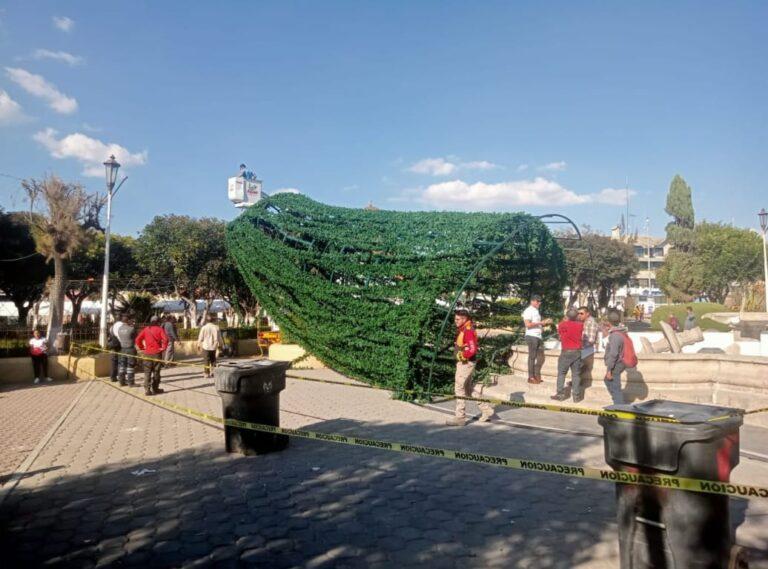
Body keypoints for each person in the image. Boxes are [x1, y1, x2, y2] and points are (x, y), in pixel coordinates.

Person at [446, 307, 494, 426]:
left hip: (465, 363)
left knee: (459, 388)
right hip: (465, 363)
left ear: (464, 319)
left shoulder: (468, 330)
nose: (455, 321)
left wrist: (463, 356)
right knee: (468, 389)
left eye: (457, 319)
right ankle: (487, 410)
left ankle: (460, 417)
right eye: (455, 319)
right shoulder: (464, 328)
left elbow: (472, 349)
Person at [552, 308, 584, 402]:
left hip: (566, 351)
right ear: (576, 316)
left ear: (567, 316)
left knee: (561, 373)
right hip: (577, 352)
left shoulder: (562, 324)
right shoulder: (580, 325)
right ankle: (576, 397)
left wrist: (565, 319)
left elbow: (560, 335)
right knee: (576, 375)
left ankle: (560, 395)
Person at [135, 315, 169, 396]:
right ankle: (155, 388)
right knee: (156, 372)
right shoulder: (160, 329)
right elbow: (166, 339)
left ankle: (147, 390)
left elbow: (137, 339)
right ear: (158, 321)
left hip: (147, 353)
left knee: (147, 372)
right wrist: (163, 348)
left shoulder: (146, 329)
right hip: (157, 354)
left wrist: (141, 347)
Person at [522, 294, 552, 384]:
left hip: (537, 336)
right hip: (531, 336)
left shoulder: (536, 311)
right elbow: (527, 324)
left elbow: (537, 324)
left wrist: (543, 324)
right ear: (532, 301)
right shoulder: (528, 311)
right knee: (532, 357)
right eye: (537, 301)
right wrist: (541, 322)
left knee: (539, 357)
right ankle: (530, 377)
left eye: (540, 301)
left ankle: (536, 376)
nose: (539, 303)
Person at [603, 309, 627, 405]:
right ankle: (617, 400)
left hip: (616, 364)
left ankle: (619, 406)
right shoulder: (622, 331)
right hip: (620, 362)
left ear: (609, 322)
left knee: (615, 386)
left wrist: (609, 370)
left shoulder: (615, 336)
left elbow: (613, 354)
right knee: (607, 381)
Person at [116, 315, 137, 387]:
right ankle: (131, 383)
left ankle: (121, 382)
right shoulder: (131, 329)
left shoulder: (119, 329)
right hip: (130, 349)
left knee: (122, 365)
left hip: (122, 349)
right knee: (130, 366)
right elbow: (135, 337)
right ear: (128, 321)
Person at [107, 317, 123, 382]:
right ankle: (120, 377)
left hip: (112, 346)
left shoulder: (111, 327)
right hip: (119, 346)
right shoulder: (120, 326)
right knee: (120, 362)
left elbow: (109, 336)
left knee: (113, 362)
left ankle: (112, 377)